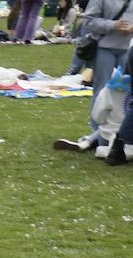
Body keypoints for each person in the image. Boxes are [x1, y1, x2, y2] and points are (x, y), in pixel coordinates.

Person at [53, 0, 133, 152]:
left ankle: (116, 134)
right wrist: (113, 25)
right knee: (102, 90)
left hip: (128, 48)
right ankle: (98, 132)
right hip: (104, 47)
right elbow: (89, 22)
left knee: (126, 94)